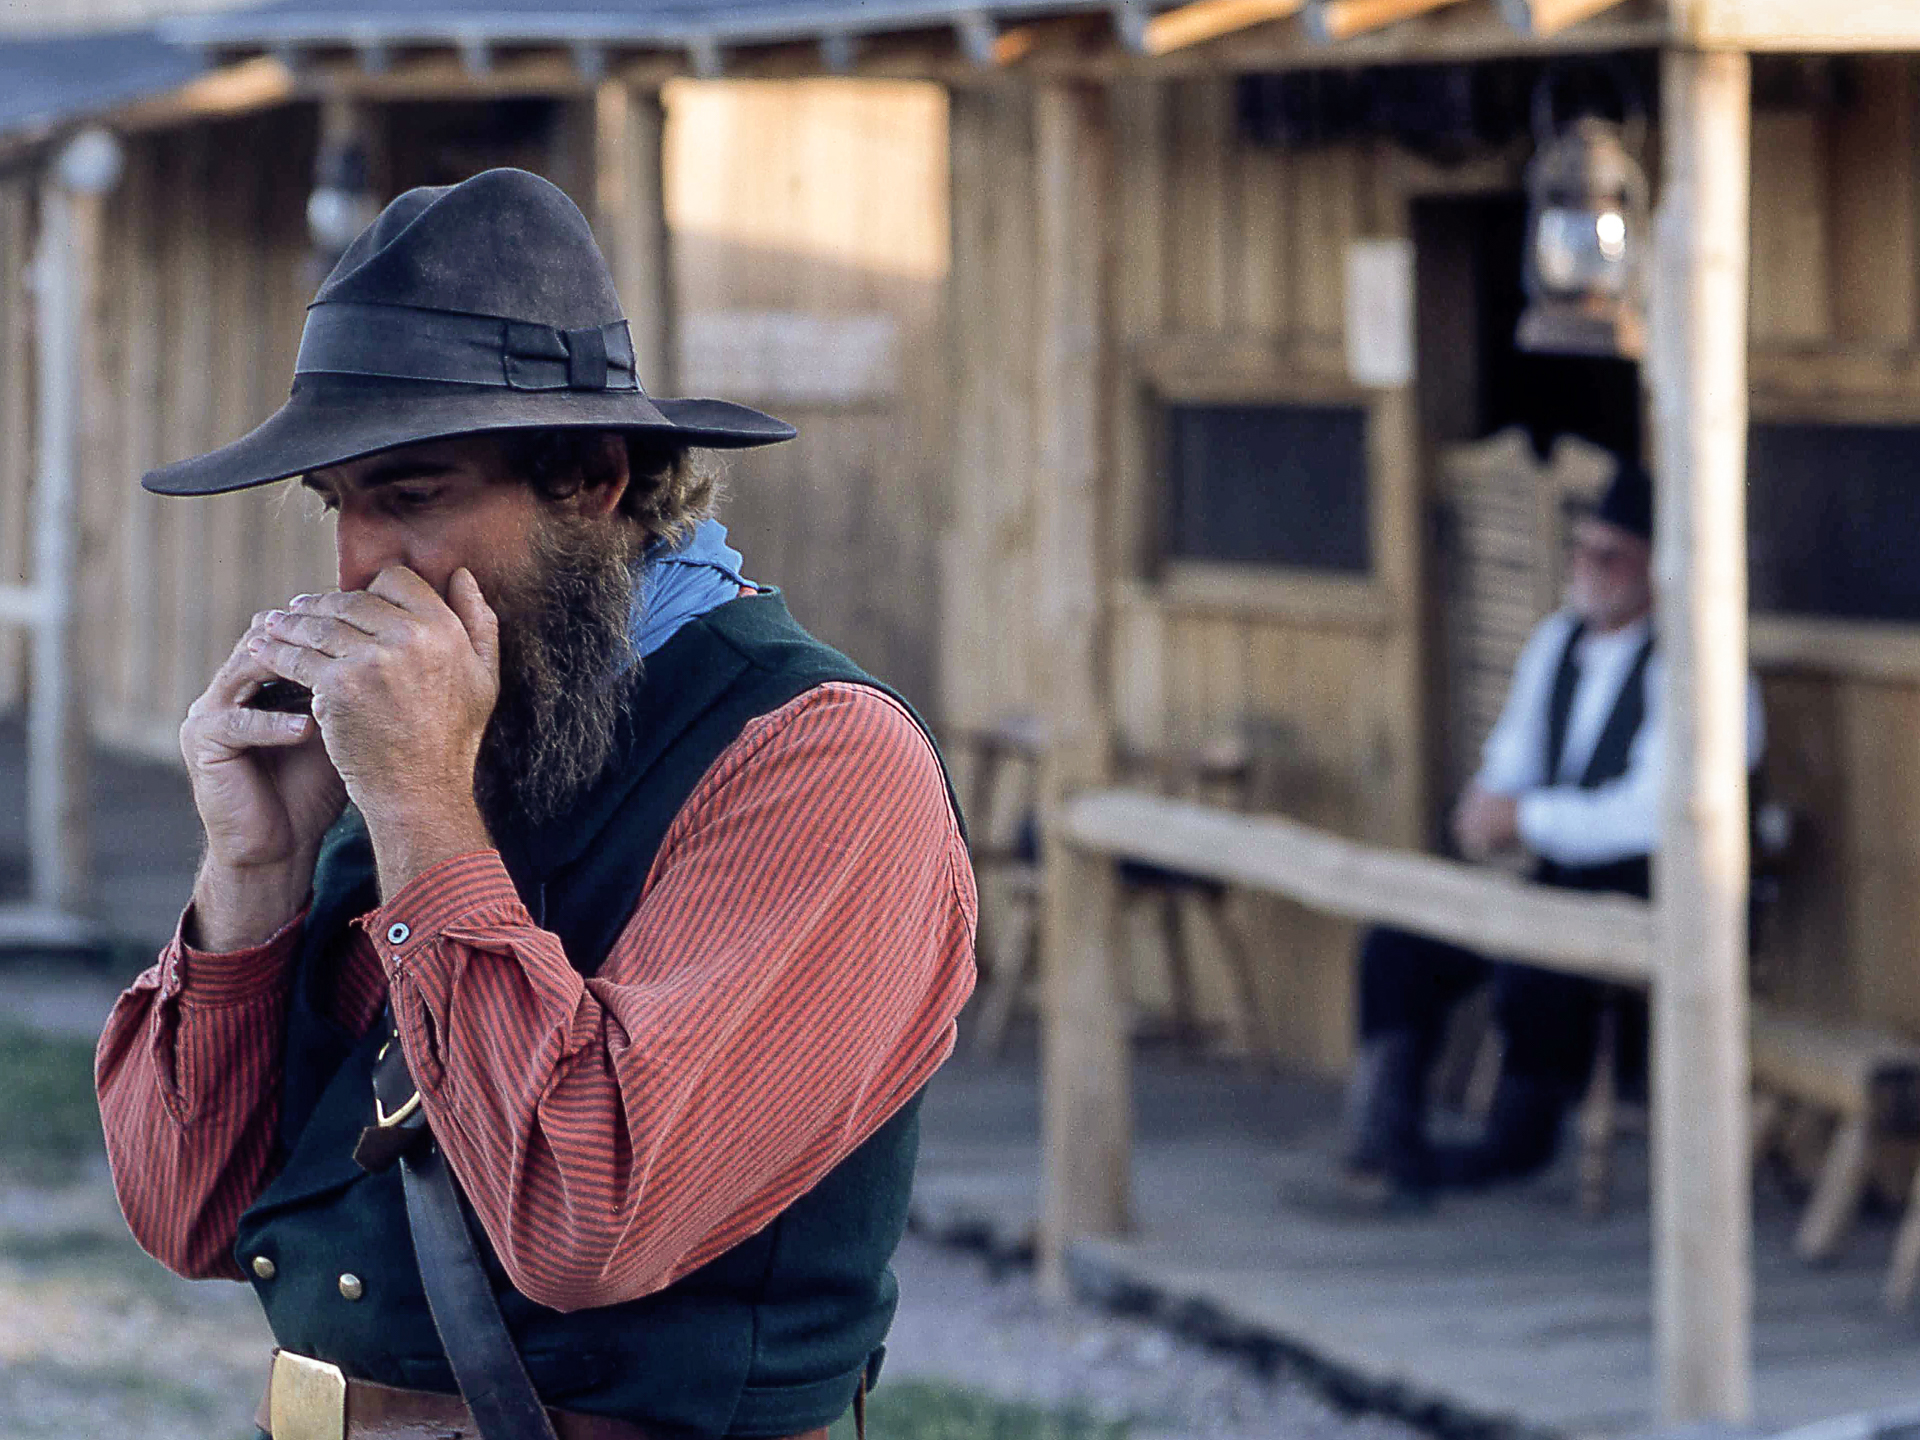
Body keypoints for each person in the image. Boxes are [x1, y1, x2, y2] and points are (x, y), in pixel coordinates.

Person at [94, 169, 976, 1440]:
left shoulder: (821, 761)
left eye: (411, 493)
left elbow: (586, 1220)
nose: (355, 569)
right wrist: (257, 867)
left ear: (594, 480)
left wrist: (423, 812)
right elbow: (187, 1212)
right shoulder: (454, 743)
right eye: (336, 505)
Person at [1340, 454, 1761, 1204]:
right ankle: (1386, 1137)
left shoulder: (1700, 670)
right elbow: (1515, 754)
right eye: (1582, 549)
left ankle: (1520, 1140)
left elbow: (1653, 812)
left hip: (1648, 891)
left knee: (1538, 966)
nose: (1588, 567)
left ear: (1655, 570)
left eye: (1610, 555)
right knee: (1399, 944)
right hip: (1549, 874)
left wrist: (1527, 816)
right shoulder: (1557, 643)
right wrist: (1489, 804)